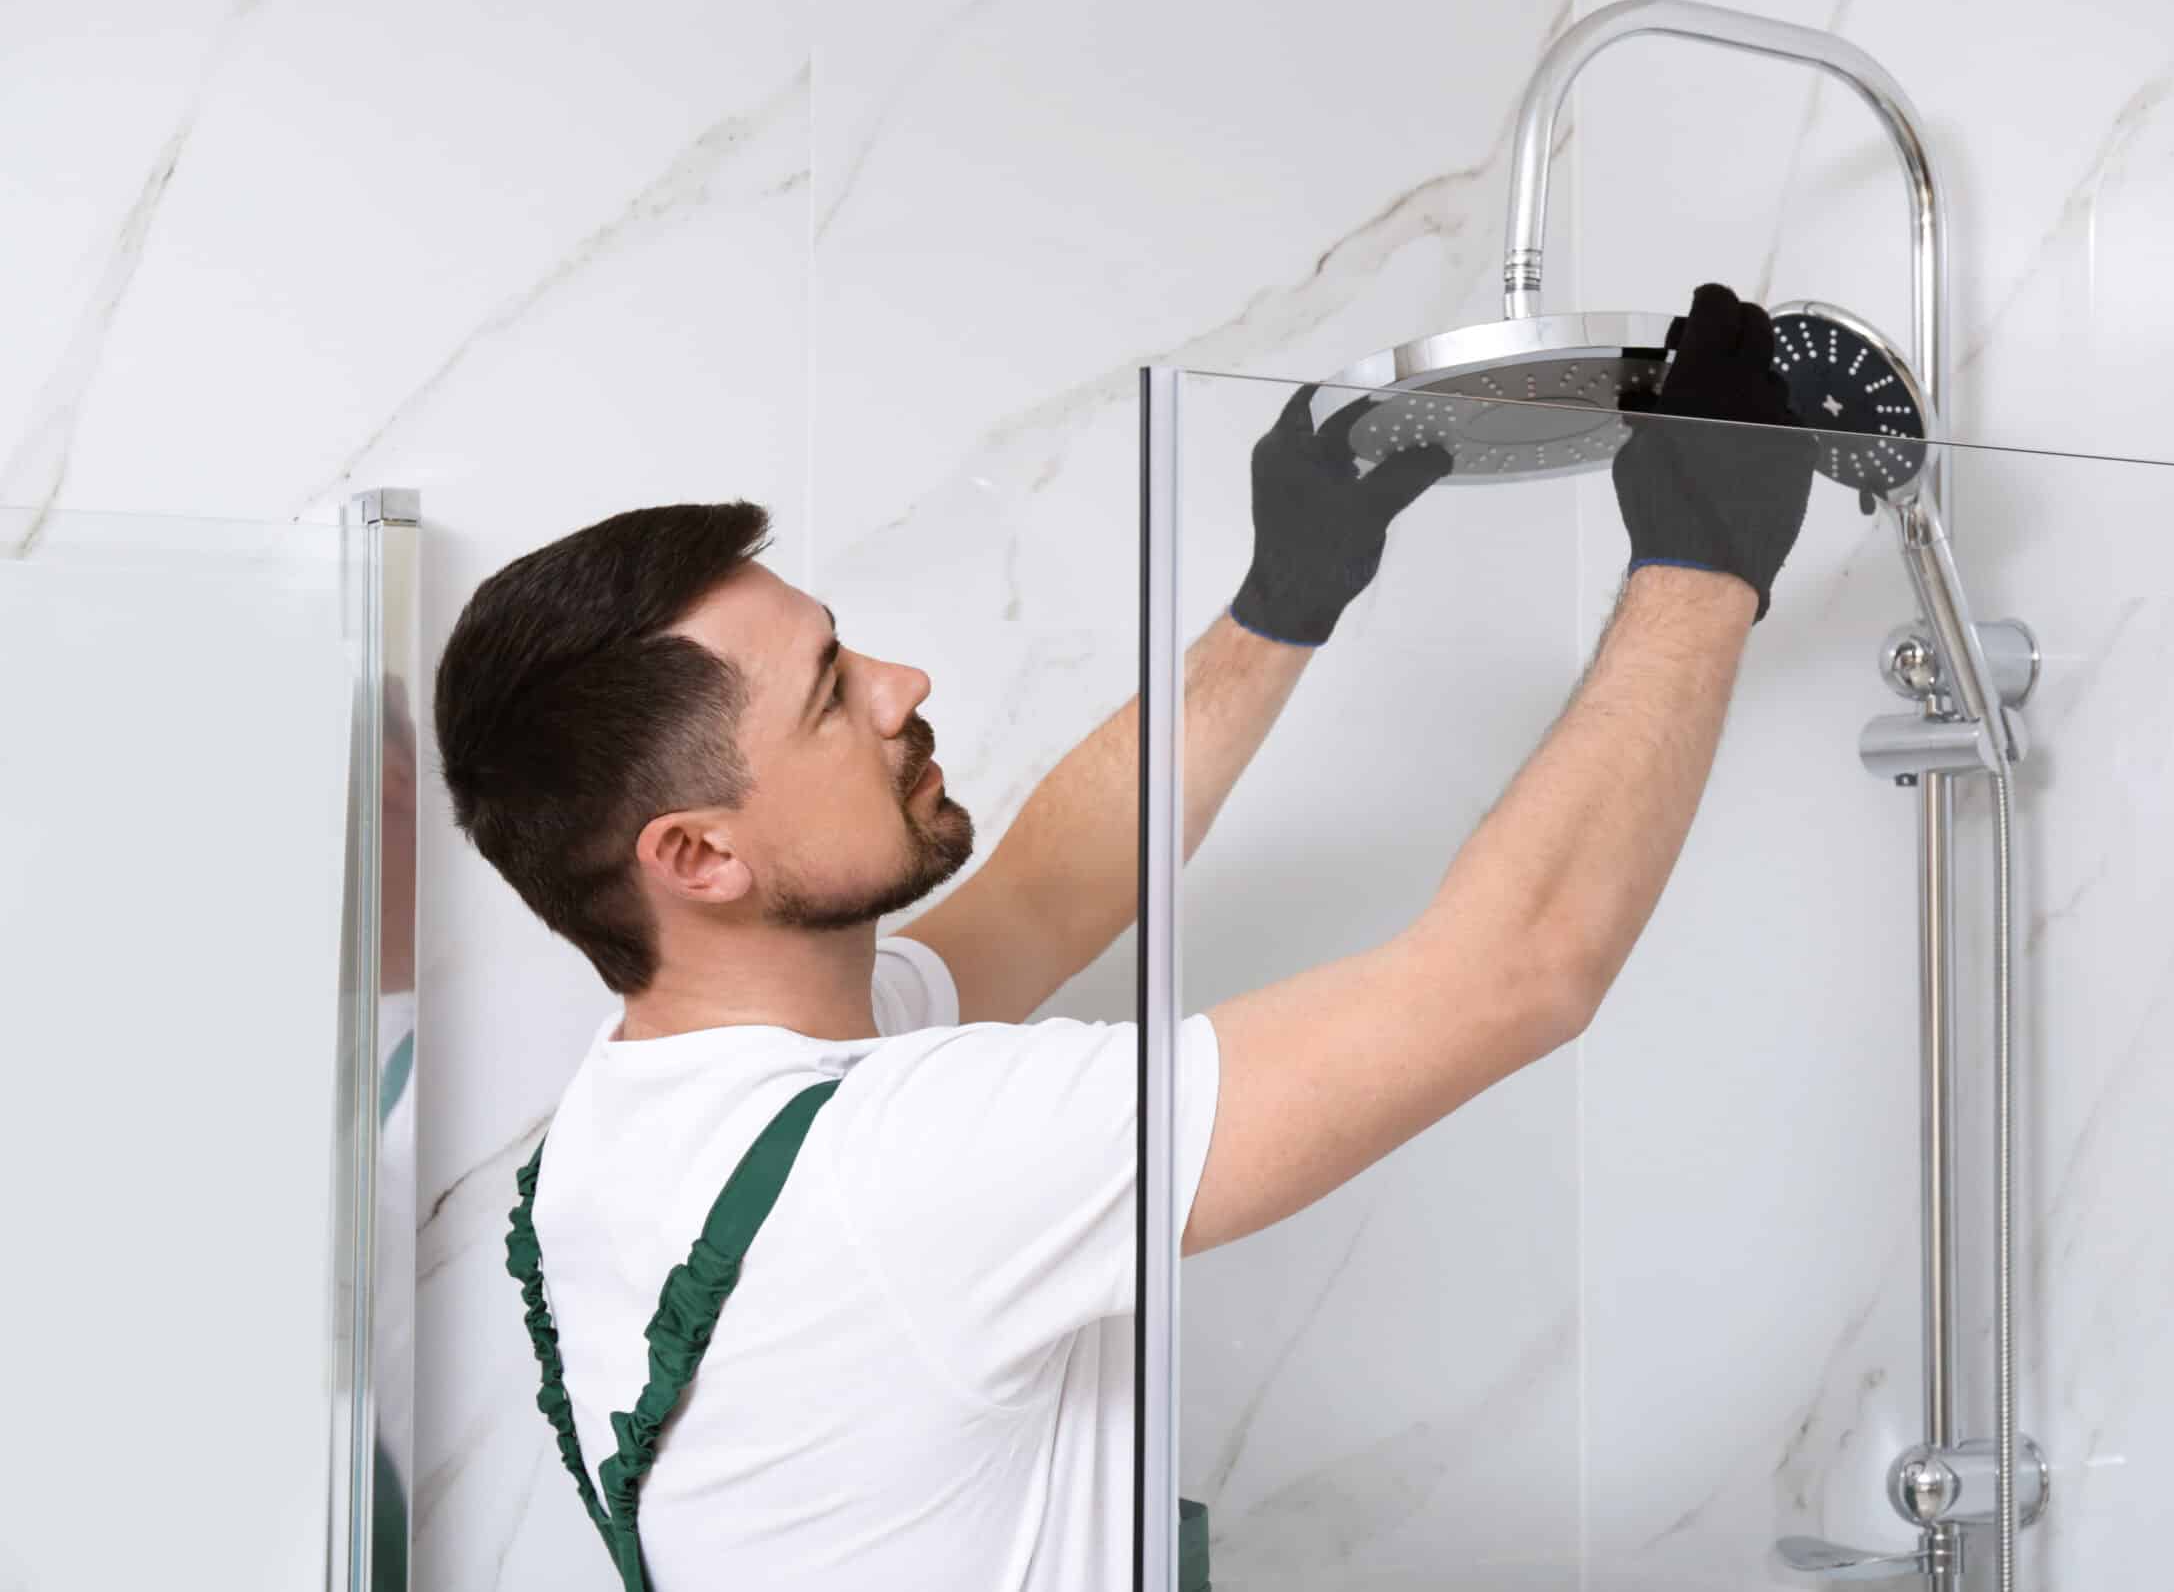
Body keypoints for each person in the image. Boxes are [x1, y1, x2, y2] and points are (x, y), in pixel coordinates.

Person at [434, 282, 1810, 1590]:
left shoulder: (661, 1114)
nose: (903, 685)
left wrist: (1284, 595)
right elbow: (1515, 970)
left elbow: (1047, 888)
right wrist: (1704, 566)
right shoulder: (896, 1170)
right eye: (830, 694)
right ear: (697, 856)